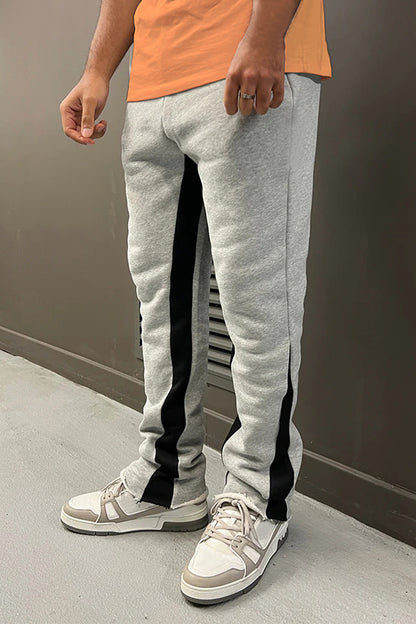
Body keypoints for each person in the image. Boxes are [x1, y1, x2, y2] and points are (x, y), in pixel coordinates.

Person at [59, 0, 332, 606]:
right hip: (154, 83)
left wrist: (265, 35)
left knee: (257, 298)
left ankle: (258, 496)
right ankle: (169, 480)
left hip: (249, 58)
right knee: (162, 299)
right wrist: (98, 70)